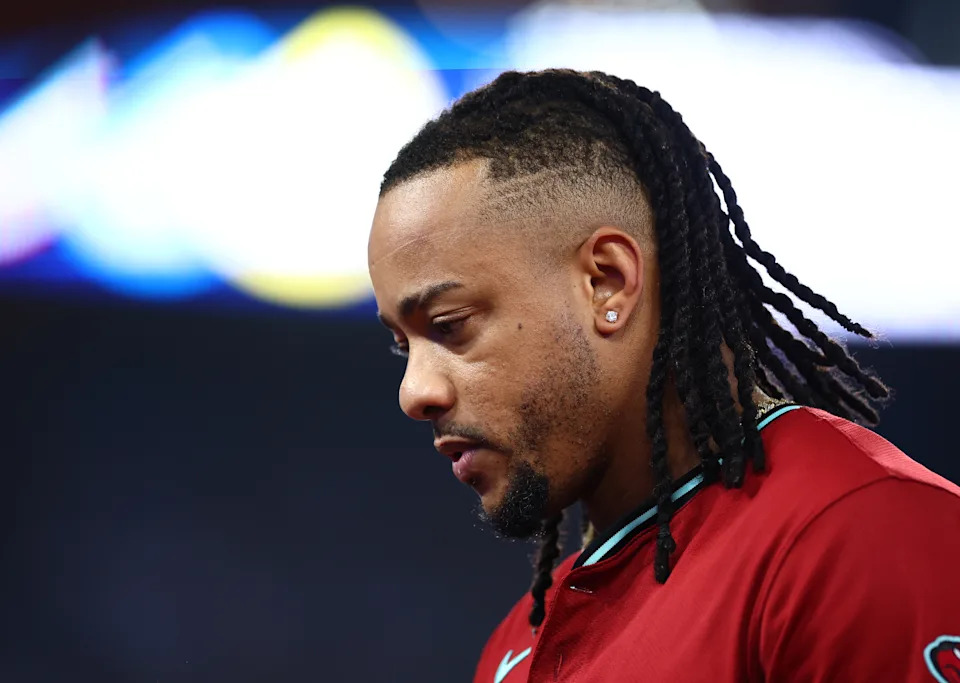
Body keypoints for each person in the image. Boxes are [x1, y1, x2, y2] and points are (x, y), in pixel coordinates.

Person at [367, 69, 960, 682]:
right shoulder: (515, 648)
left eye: (450, 323)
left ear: (607, 282)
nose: (415, 393)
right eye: (400, 345)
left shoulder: (859, 537)